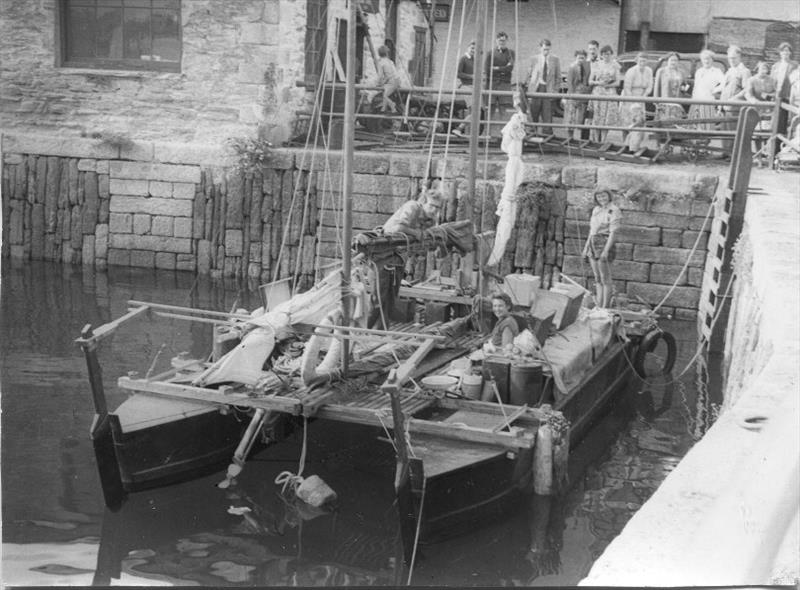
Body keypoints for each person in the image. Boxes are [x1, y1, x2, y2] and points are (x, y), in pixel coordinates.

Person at [371, 188, 444, 328]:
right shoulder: (413, 206)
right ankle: (364, 333)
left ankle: (380, 331)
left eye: (438, 207)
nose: (434, 210)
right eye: (432, 205)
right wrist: (417, 233)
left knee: (391, 298)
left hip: (398, 258)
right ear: (423, 202)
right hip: (382, 255)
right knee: (378, 298)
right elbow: (398, 228)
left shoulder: (430, 219)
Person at [582, 189, 621, 308]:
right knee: (597, 277)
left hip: (604, 242)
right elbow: (591, 231)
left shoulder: (614, 210)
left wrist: (606, 251)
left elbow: (613, 233)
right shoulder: (596, 209)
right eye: (599, 197)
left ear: (609, 196)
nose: (601, 199)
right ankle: (598, 306)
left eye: (603, 196)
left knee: (605, 279)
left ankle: (605, 307)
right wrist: (586, 247)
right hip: (593, 243)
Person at [716, 45, 750, 155]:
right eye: (730, 58)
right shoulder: (730, 71)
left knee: (733, 131)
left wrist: (734, 99)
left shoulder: (744, 71)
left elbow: (746, 90)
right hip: (725, 106)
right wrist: (720, 106)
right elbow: (724, 88)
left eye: (734, 58)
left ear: (740, 57)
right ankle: (725, 152)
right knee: (724, 130)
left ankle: (733, 155)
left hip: (735, 107)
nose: (732, 60)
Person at [525, 39, 561, 136]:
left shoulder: (555, 60)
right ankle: (531, 134)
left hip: (548, 90)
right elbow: (528, 76)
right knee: (533, 113)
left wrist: (555, 91)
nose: (546, 52)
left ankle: (547, 135)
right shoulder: (533, 59)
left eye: (548, 50)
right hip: (536, 89)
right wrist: (529, 90)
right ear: (540, 48)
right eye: (544, 49)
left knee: (547, 114)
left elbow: (558, 78)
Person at [745, 61, 778, 164]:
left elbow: (777, 93)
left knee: (767, 133)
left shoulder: (772, 80)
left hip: (768, 110)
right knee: (757, 134)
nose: (763, 71)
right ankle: (758, 157)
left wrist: (770, 96)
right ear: (757, 69)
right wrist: (754, 101)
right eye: (761, 69)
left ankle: (767, 156)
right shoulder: (752, 80)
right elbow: (748, 94)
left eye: (765, 69)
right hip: (756, 109)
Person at [588, 44, 622, 143]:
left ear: (611, 54)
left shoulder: (615, 65)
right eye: (604, 54)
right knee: (597, 117)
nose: (606, 56)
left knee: (606, 119)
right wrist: (599, 83)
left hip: (609, 93)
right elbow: (590, 81)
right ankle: (595, 141)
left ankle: (603, 140)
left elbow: (618, 82)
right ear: (601, 55)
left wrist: (608, 85)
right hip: (598, 92)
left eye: (608, 54)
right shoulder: (596, 64)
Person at [688, 49, 725, 130]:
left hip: (707, 100)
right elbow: (696, 86)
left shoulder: (716, 71)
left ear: (712, 60)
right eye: (704, 59)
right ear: (701, 60)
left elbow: (724, 83)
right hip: (696, 100)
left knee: (706, 125)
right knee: (693, 123)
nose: (706, 61)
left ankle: (704, 141)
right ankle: (693, 141)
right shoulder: (699, 71)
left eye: (708, 58)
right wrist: (692, 99)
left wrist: (714, 90)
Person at [484, 32, 516, 121]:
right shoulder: (490, 53)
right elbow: (487, 68)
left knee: (503, 108)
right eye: (500, 40)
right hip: (492, 83)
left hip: (504, 83)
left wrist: (496, 68)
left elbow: (510, 68)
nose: (502, 42)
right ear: (496, 40)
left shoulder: (511, 53)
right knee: (491, 107)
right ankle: (487, 129)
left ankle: (503, 130)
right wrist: (503, 68)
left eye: (504, 40)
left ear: (507, 41)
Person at [621, 52, 653, 138]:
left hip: (642, 97)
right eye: (640, 61)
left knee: (639, 121)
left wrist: (644, 96)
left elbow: (650, 86)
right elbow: (627, 87)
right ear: (637, 61)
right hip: (630, 96)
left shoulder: (649, 71)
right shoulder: (631, 71)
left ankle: (636, 143)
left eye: (644, 61)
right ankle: (626, 142)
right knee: (629, 120)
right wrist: (633, 101)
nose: (642, 63)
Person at [770, 42, 799, 136]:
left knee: (787, 119)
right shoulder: (775, 66)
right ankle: (775, 139)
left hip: (788, 95)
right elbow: (772, 81)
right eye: (783, 51)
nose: (785, 53)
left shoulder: (794, 65)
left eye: (787, 51)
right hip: (777, 95)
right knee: (776, 120)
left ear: (790, 53)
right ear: (780, 53)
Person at [564, 49, 592, 139]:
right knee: (570, 118)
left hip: (583, 96)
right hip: (573, 95)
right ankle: (570, 138)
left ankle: (578, 139)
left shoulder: (587, 67)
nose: (581, 60)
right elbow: (570, 83)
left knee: (580, 118)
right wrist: (572, 96)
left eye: (583, 58)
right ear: (576, 57)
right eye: (579, 58)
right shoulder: (572, 67)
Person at [453, 40, 476, 137]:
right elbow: (458, 74)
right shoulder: (463, 59)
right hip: (466, 86)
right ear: (468, 48)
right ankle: (459, 128)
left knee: (476, 111)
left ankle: (463, 130)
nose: (473, 50)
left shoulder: (475, 60)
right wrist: (471, 76)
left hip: (474, 87)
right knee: (474, 110)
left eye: (475, 49)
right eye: (472, 48)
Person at [653, 52, 684, 123]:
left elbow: (684, 86)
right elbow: (657, 87)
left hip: (676, 102)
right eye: (671, 60)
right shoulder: (661, 71)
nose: (673, 62)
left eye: (675, 60)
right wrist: (656, 101)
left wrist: (683, 92)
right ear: (668, 61)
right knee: (663, 121)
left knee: (675, 122)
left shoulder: (681, 72)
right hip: (664, 101)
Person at [581, 40, 601, 140]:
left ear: (598, 49)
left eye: (594, 49)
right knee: (586, 118)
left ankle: (597, 141)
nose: (592, 51)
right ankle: (584, 142)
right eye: (590, 49)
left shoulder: (602, 62)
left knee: (598, 118)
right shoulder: (584, 63)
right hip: (587, 94)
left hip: (598, 94)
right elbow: (582, 80)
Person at [374, 45, 401, 113]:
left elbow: (380, 75)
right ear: (386, 53)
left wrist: (378, 83)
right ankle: (384, 108)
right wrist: (384, 82)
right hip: (397, 80)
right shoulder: (390, 61)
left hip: (392, 81)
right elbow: (391, 74)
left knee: (385, 95)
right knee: (386, 91)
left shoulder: (381, 63)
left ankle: (392, 105)